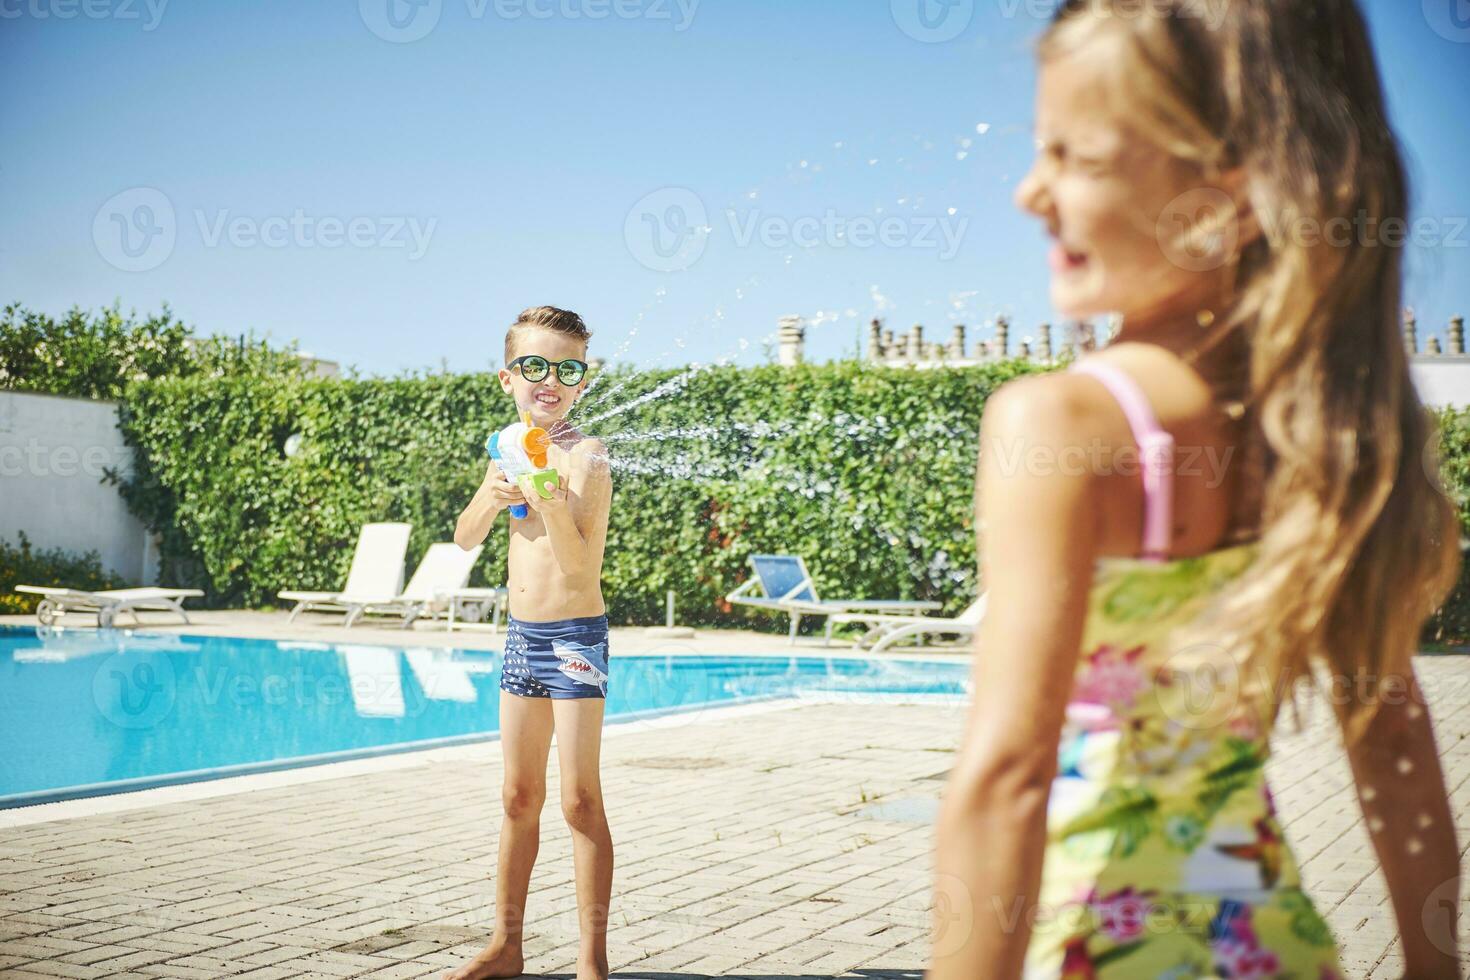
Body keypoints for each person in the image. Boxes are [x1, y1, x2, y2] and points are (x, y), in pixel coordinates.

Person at [931, 1, 1462, 976]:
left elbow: (1007, 776)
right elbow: (1392, 741)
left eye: (1072, 157)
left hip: (1089, 947)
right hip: (1271, 947)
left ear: (1228, 195)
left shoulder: (1062, 425)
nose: (1027, 191)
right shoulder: (1323, 433)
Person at [448, 306, 614, 980]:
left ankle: (591, 959)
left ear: (582, 380)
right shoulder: (508, 449)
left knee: (578, 799)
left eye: (567, 369)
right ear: (506, 377)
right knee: (518, 797)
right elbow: (462, 539)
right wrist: (491, 498)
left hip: (575, 635)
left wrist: (548, 500)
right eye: (535, 366)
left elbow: (579, 568)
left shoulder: (587, 455)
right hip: (522, 636)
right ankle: (507, 946)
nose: (550, 380)